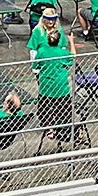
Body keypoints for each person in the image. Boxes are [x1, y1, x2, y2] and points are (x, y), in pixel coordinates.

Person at [27, 9, 76, 144]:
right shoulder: (38, 31)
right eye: (48, 19)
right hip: (45, 68)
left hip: (57, 68)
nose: (50, 22)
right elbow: (33, 51)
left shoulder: (58, 30)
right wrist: (36, 71)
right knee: (47, 101)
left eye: (53, 19)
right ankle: (50, 126)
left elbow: (64, 49)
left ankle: (61, 128)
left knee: (58, 103)